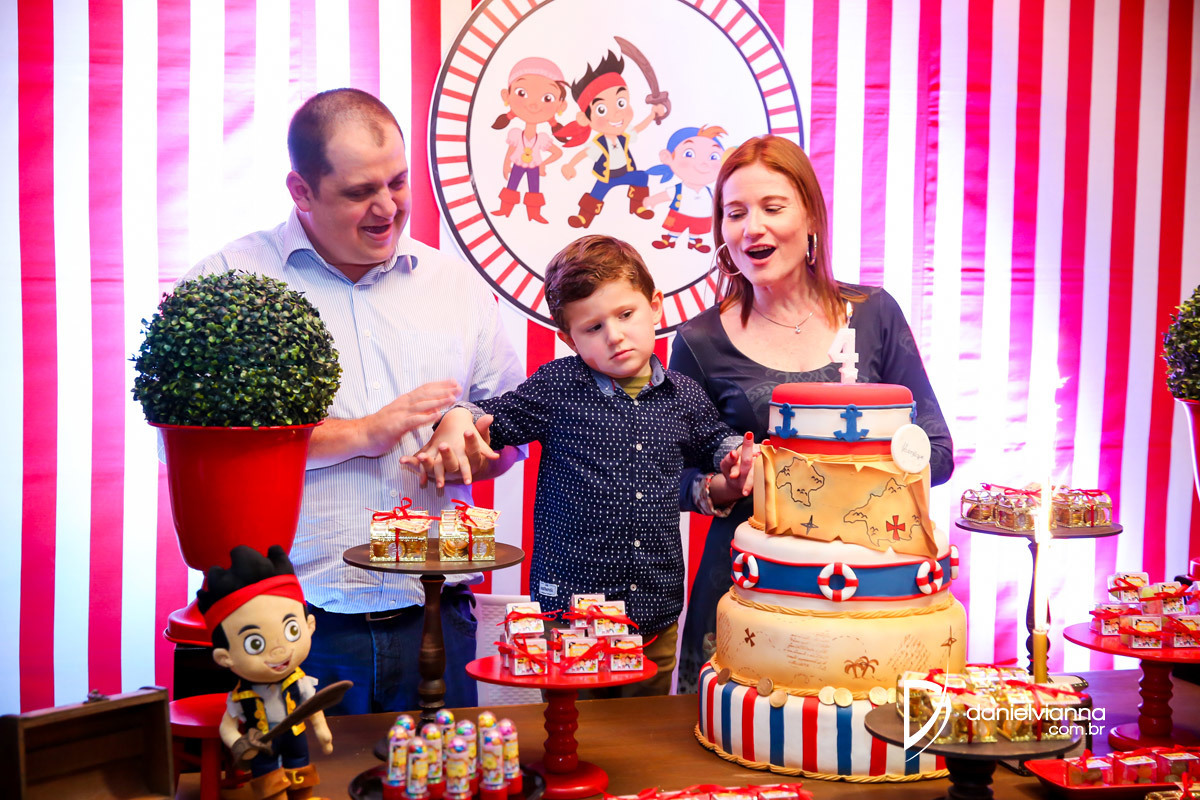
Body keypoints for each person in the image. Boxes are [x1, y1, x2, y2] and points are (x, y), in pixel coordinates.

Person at [182, 88, 525, 714]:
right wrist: (365, 432)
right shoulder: (229, 285)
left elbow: (508, 434)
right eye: (360, 191)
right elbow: (195, 452)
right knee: (301, 768)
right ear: (301, 191)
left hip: (435, 615)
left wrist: (472, 436)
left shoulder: (456, 287)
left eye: (398, 182)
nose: (387, 207)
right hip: (291, 625)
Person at [407, 235, 757, 695]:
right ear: (568, 339)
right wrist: (458, 418)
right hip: (569, 617)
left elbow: (716, 440)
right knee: (570, 723)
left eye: (626, 314)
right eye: (593, 327)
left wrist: (735, 457)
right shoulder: (557, 387)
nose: (614, 335)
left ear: (655, 306)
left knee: (644, 724)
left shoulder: (685, 395)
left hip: (654, 614)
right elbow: (494, 415)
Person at [671, 134, 954, 693]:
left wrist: (859, 472)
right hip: (748, 590)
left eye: (773, 208)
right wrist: (726, 485)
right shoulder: (698, 341)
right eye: (735, 213)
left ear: (811, 219)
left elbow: (938, 453)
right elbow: (671, 477)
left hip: (870, 592)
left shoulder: (873, 315)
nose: (752, 228)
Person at [195, 545, 333, 800]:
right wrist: (239, 744)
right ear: (225, 657)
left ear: (309, 626)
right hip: (262, 744)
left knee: (300, 769)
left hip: (295, 737)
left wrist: (322, 730)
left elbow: (312, 706)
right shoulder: (241, 696)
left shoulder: (298, 681)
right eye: (255, 643)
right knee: (268, 779)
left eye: (292, 631)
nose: (279, 651)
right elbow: (227, 726)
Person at [490, 56, 569, 222]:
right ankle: (505, 210)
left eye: (547, 98)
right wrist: (506, 163)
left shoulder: (542, 138)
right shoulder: (516, 134)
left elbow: (558, 153)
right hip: (518, 164)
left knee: (534, 189)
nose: (534, 104)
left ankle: (534, 214)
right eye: (522, 93)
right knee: (512, 186)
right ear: (506, 96)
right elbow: (511, 149)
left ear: (560, 106)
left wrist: (543, 164)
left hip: (534, 167)